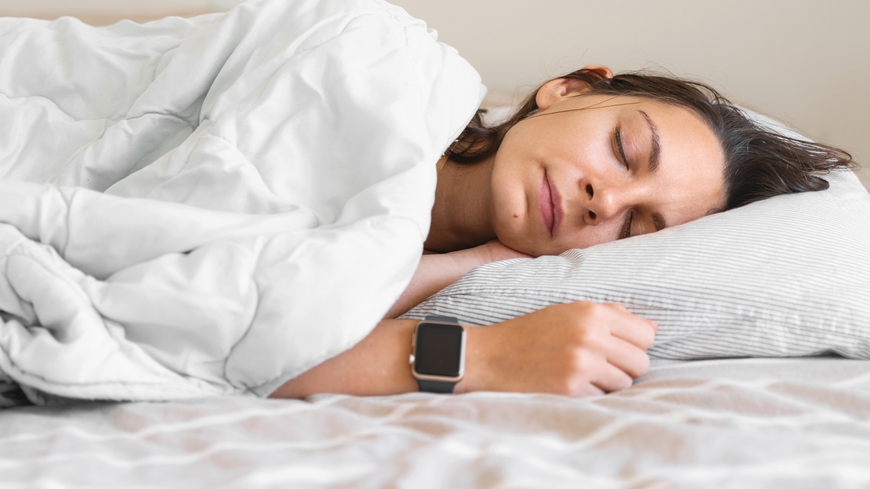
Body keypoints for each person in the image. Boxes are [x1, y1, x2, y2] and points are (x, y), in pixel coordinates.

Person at [273, 65, 854, 399]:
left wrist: (478, 262)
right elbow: (204, 332)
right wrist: (482, 357)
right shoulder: (376, 71)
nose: (607, 202)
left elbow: (263, 317)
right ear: (570, 89)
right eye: (626, 149)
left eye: (635, 229)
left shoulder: (435, 265)